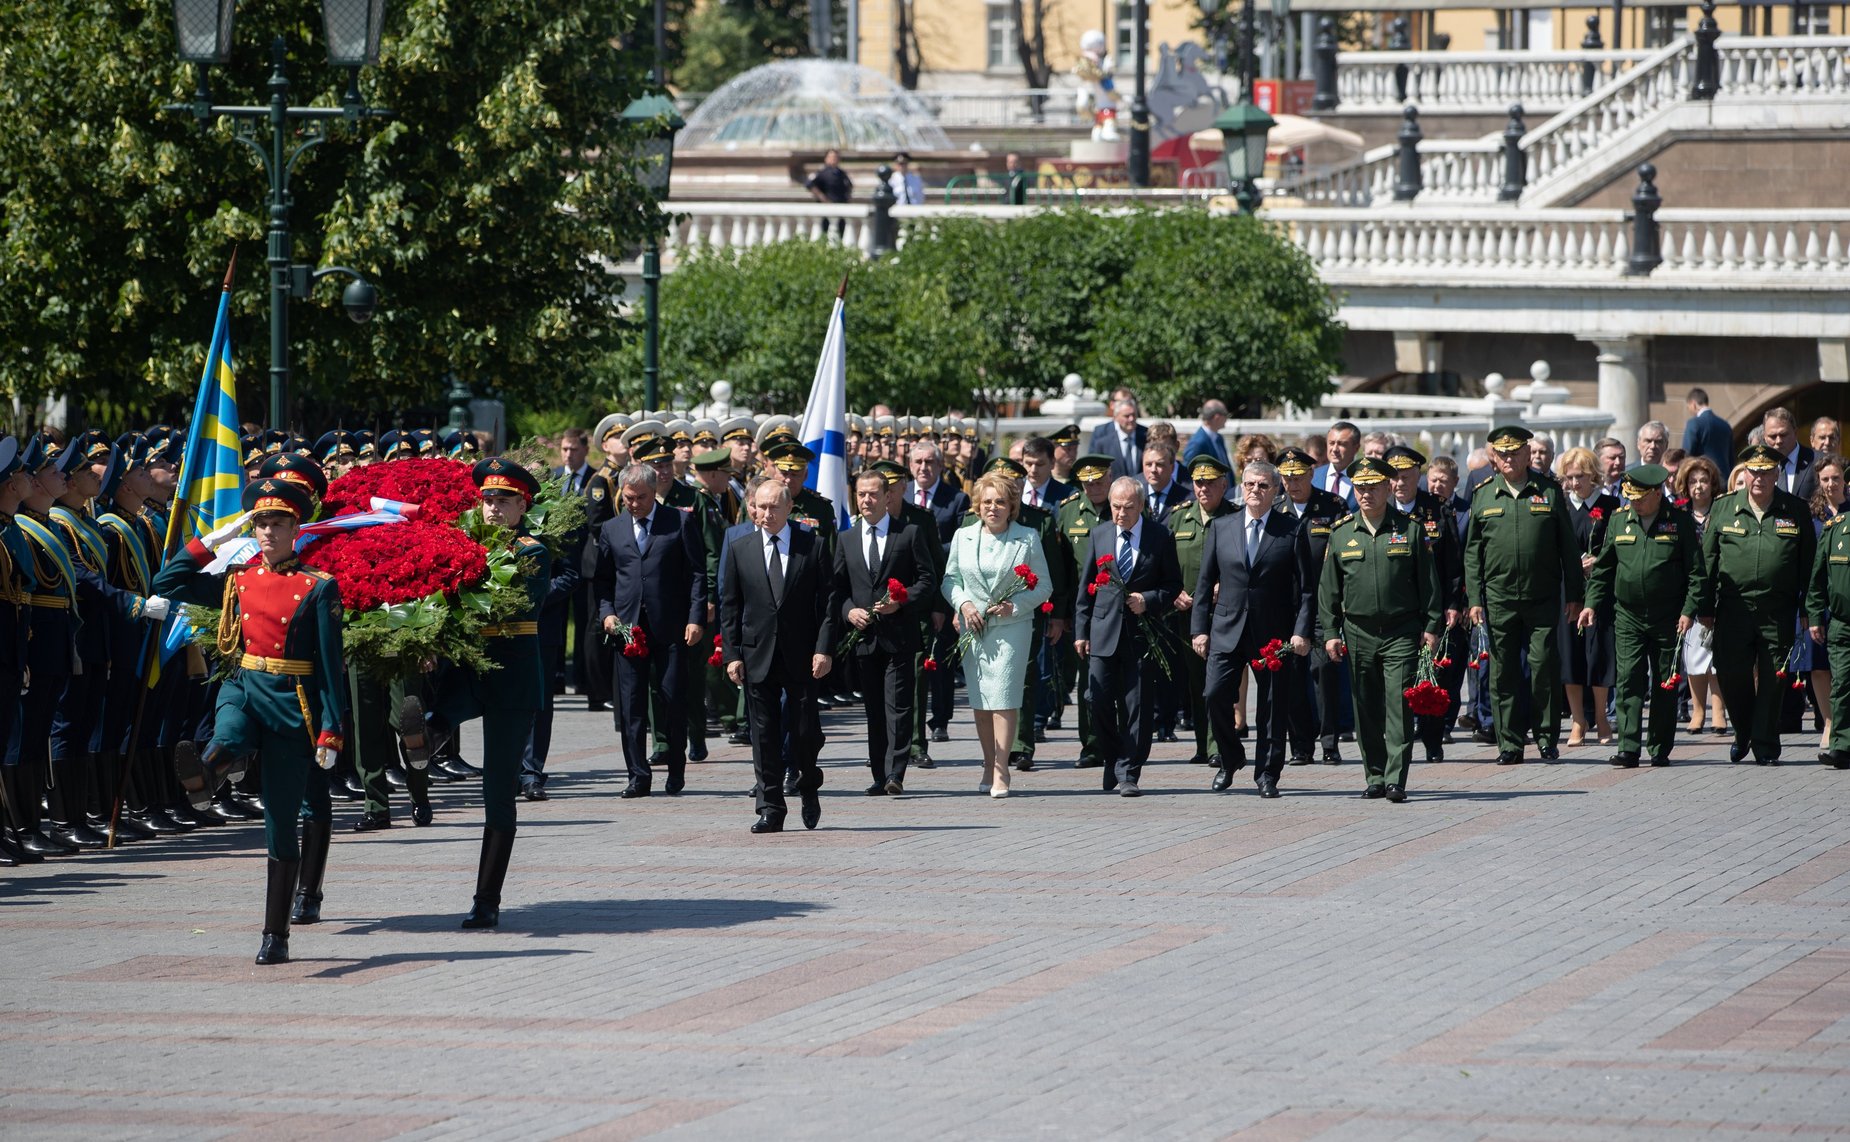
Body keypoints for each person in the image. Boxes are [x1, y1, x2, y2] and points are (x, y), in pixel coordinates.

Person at [155, 478, 346, 965]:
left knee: (280, 822)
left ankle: (275, 934)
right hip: (243, 685)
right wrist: (209, 542)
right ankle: (207, 773)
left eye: (277, 523)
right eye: (261, 523)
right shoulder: (236, 579)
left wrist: (331, 729)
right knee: (228, 731)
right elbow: (166, 583)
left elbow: (330, 666)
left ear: (296, 529)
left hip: (291, 702)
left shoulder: (319, 587)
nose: (268, 532)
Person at [430, 459, 559, 929]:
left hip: (511, 676)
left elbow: (513, 602)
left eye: (503, 500)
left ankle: (486, 899)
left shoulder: (533, 552)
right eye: (487, 499)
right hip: (466, 668)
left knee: (498, 792)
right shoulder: (462, 543)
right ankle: (424, 740)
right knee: (432, 717)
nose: (493, 508)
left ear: (523, 506)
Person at [1317, 457, 1443, 801]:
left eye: (1373, 487)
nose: (1366, 494)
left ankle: (1395, 778)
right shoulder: (1342, 533)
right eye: (1360, 487)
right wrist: (1330, 632)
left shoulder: (1411, 530)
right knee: (1365, 706)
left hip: (1401, 630)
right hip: (1358, 631)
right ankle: (1374, 774)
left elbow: (1429, 584)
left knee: (1398, 705)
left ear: (1388, 488)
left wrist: (1432, 626)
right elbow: (1329, 590)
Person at [1464, 425, 1584, 765]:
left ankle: (1546, 737)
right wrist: (1474, 599)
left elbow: (1567, 547)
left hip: (1542, 596)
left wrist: (1575, 594)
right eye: (1502, 454)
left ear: (1527, 454)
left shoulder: (1548, 491)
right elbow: (1473, 553)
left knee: (1543, 666)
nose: (1508, 459)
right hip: (1499, 598)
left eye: (1514, 453)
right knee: (1503, 673)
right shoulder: (1484, 494)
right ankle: (1510, 743)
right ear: (1494, 458)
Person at [1192, 460, 1313, 797]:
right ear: (1241, 487)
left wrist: (1301, 631)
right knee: (1214, 694)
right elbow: (1204, 583)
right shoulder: (1222, 527)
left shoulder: (1291, 530)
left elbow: (1306, 589)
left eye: (1263, 485)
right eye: (1249, 484)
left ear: (1276, 490)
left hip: (1273, 633)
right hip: (1227, 628)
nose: (1255, 491)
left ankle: (1267, 774)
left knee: (1272, 707)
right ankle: (1230, 757)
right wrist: (1199, 629)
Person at [720, 481, 835, 833]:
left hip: (802, 655)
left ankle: (808, 786)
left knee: (804, 733)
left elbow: (828, 603)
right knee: (763, 734)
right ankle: (770, 807)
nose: (766, 514)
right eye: (760, 506)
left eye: (773, 507)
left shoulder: (812, 546)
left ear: (788, 509)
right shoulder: (740, 549)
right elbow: (730, 606)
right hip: (757, 654)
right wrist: (732, 654)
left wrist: (823, 648)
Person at [1578, 463, 1705, 768]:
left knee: (1664, 682)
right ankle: (1629, 747)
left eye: (1640, 497)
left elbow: (1696, 573)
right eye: (1631, 497)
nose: (1634, 502)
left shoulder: (1679, 522)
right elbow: (1604, 569)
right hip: (1628, 615)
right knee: (1628, 680)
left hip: (1668, 616)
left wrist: (1689, 610)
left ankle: (1659, 747)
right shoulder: (1619, 520)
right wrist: (1591, 604)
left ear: (1657, 493)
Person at [593, 464, 706, 798]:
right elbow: (603, 580)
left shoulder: (679, 521)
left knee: (673, 699)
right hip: (628, 630)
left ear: (654, 492)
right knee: (631, 706)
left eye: (641, 497)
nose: (634, 504)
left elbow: (697, 574)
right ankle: (638, 776)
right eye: (628, 497)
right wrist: (607, 614)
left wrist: (696, 617)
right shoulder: (612, 528)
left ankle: (675, 768)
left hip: (671, 628)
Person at [1699, 443, 1816, 765]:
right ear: (1745, 474)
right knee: (1731, 675)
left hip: (1777, 610)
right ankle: (1743, 731)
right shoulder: (1724, 508)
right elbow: (1707, 562)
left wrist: (1808, 608)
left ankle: (1765, 744)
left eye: (1766, 472)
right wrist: (1704, 607)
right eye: (1754, 472)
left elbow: (1809, 566)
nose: (1759, 478)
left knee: (1773, 679)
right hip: (1732, 609)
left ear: (1777, 474)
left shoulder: (1795, 509)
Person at [942, 472, 1053, 797]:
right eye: (987, 502)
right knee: (980, 700)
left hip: (1011, 630)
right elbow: (950, 580)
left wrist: (1014, 606)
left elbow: (1044, 586)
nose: (993, 508)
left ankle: (1002, 769)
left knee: (1004, 696)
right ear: (978, 505)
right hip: (974, 628)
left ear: (1011, 506)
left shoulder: (1027, 538)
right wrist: (964, 605)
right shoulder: (963, 536)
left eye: (1000, 502)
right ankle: (988, 763)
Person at [1076, 477, 1181, 797]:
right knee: (1096, 699)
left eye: (1128, 508)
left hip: (1140, 635)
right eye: (1116, 507)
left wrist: (1147, 599)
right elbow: (1086, 588)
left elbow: (1172, 585)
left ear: (1142, 506)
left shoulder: (1159, 536)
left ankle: (1129, 771)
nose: (1121, 513)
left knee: (1137, 706)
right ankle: (1113, 756)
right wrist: (1081, 631)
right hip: (1103, 631)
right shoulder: (1100, 534)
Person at [834, 469, 936, 796]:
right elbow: (837, 588)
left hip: (899, 636)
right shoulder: (846, 539)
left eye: (873, 494)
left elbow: (927, 580)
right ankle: (879, 774)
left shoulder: (908, 533)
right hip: (864, 638)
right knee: (874, 708)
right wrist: (849, 611)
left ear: (887, 497)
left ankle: (896, 772)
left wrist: (901, 601)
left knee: (898, 705)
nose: (866, 500)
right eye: (861, 494)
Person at [1385, 445, 1464, 762]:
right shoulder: (1380, 508)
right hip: (1394, 608)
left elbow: (1453, 563)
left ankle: (1433, 740)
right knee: (1398, 679)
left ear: (1417, 475)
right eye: (1394, 477)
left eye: (1405, 477)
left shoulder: (1437, 509)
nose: (1399, 483)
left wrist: (1454, 603)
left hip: (1432, 606)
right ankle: (1399, 740)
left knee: (1434, 675)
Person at [1274, 447, 1348, 765]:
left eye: (1298, 477)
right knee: (1291, 675)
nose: (1292, 483)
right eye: (1286, 478)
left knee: (1324, 672)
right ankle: (1301, 745)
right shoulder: (1275, 509)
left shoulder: (1332, 506)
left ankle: (1330, 743)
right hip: (1286, 605)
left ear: (1310, 474)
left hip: (1322, 602)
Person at [1167, 455, 1236, 768]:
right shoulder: (1178, 517)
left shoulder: (1235, 517)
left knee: (1218, 682)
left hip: (1225, 613)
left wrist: (1228, 585)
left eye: (1210, 482)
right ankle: (1202, 744)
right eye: (1198, 482)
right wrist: (1174, 592)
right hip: (1188, 612)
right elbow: (1165, 562)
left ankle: (1218, 744)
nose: (1203, 488)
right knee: (1196, 682)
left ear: (1224, 484)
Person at [1556, 447, 1621, 748]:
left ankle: (1602, 717)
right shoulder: (1562, 506)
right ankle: (1578, 720)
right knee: (1570, 656)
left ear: (1593, 475)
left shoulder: (1610, 505)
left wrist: (1599, 561)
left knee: (1599, 654)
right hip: (1568, 591)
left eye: (1580, 476)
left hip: (1600, 591)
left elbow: (1618, 544)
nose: (1574, 483)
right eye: (1569, 477)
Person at [906, 442, 970, 748]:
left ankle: (940, 719)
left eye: (930, 462)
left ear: (940, 466)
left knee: (941, 659)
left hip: (943, 588)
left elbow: (959, 543)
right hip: (908, 589)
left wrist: (924, 549)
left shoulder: (956, 498)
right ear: (910, 465)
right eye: (918, 461)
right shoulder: (900, 494)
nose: (923, 467)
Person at [1056, 455, 1116, 770]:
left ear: (1110, 478)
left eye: (1099, 481)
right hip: (1085, 607)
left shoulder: (1123, 505)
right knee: (1089, 680)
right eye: (1087, 483)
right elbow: (1063, 567)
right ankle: (1092, 745)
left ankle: (1121, 740)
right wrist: (1062, 612)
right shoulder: (1068, 511)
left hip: (1120, 604)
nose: (1093, 488)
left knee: (1121, 678)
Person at [1674, 456, 1727, 736]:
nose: (1699, 486)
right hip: (1690, 593)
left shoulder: (1722, 511)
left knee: (1717, 656)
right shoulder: (1679, 516)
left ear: (1712, 483)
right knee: (1694, 655)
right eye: (1693, 481)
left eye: (1704, 480)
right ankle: (1698, 711)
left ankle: (1719, 711)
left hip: (1720, 591)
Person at [1806, 454, 1847, 757]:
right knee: (1825, 670)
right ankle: (1833, 729)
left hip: (1844, 604)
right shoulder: (1815, 518)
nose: (1831, 484)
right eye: (1825, 479)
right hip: (1825, 606)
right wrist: (1811, 611)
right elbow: (1812, 567)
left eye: (1836, 478)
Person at [1762, 407, 1817, 501]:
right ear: (1765, 438)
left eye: (1783, 435)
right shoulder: (1759, 465)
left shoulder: (1817, 461)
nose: (1778, 441)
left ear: (1795, 433)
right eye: (1773, 436)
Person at [1682, 388, 1734, 475]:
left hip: (1703, 477)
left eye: (1688, 407)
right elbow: (1731, 459)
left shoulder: (1694, 423)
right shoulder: (1725, 425)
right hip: (1725, 479)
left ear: (1693, 404)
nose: (1689, 410)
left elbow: (1687, 454)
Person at [1313, 422, 1360, 508]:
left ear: (1356, 448)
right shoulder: (1313, 476)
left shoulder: (1364, 478)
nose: (1335, 449)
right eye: (1331, 443)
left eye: (1342, 444)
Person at [1187, 401, 1232, 465]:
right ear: (1217, 417)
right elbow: (1188, 468)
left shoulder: (1219, 438)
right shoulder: (1197, 443)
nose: (1227, 418)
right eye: (1225, 414)